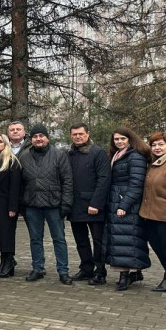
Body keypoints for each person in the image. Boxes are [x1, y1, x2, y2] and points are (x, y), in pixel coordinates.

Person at [19, 125, 74, 284]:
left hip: (54, 204)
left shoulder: (59, 155)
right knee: (35, 239)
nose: (38, 139)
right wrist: (22, 203)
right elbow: (20, 182)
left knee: (59, 239)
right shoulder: (24, 156)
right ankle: (38, 268)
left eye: (41, 136)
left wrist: (66, 203)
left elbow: (67, 180)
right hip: (32, 204)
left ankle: (63, 271)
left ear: (47, 138)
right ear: (31, 139)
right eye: (35, 136)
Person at [103, 128, 151, 291]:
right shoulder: (118, 155)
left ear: (130, 139)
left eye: (122, 138)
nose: (119, 142)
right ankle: (135, 273)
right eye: (116, 139)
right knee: (122, 239)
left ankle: (125, 276)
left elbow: (136, 184)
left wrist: (124, 205)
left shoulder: (135, 156)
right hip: (116, 201)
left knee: (126, 240)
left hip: (126, 204)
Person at [66, 123, 111, 285]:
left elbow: (104, 179)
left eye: (81, 134)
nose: (77, 137)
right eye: (74, 134)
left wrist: (96, 203)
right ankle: (86, 268)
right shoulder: (69, 153)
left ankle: (100, 271)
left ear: (88, 134)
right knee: (81, 240)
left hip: (93, 206)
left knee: (98, 240)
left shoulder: (98, 153)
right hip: (75, 205)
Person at [141, 132, 166, 292]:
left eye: (161, 144)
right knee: (158, 246)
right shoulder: (155, 162)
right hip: (150, 214)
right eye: (154, 145)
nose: (157, 148)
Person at [0, 134, 23, 278]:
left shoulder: (12, 162)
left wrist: (13, 207)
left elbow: (15, 187)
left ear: (6, 144)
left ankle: (8, 262)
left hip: (7, 205)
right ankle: (5, 263)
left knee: (7, 235)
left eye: (0, 141)